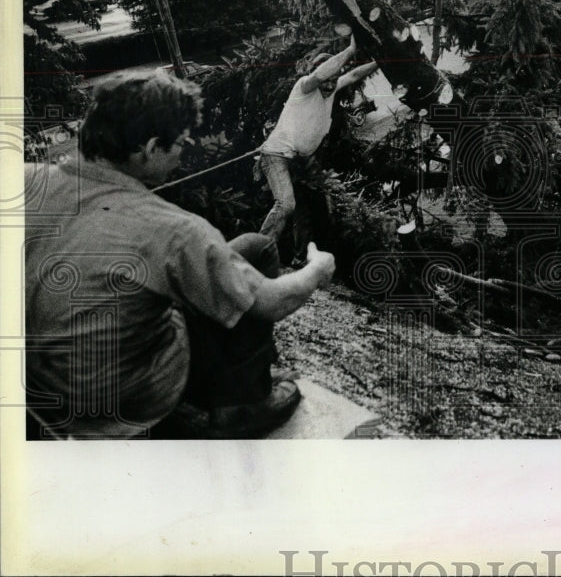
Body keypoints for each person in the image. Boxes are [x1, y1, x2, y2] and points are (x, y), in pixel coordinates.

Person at [24, 71, 337, 439]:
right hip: (123, 404)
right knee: (257, 248)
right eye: (179, 146)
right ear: (151, 146)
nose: (181, 158)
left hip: (38, 394)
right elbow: (272, 303)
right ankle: (243, 405)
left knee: (187, 275)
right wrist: (317, 269)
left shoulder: (27, 181)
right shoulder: (176, 231)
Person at [257, 38, 379, 262]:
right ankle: (258, 252)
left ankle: (300, 257)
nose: (330, 85)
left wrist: (382, 61)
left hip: (300, 161)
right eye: (327, 80)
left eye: (334, 81)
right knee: (286, 205)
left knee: (310, 209)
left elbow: (352, 76)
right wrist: (351, 50)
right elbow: (322, 74)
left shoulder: (330, 91)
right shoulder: (304, 87)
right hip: (276, 156)